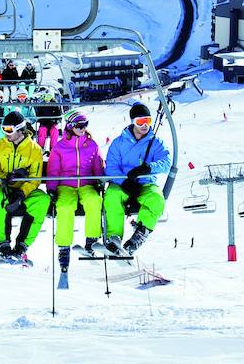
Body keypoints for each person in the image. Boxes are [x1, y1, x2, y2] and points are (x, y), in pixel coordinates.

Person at [102, 101, 172, 256]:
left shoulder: (155, 143)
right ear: (133, 122)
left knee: (157, 199)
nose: (144, 125)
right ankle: (114, 237)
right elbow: (111, 168)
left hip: (145, 183)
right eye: (140, 122)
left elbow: (166, 163)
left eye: (147, 121)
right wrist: (124, 182)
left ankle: (140, 233)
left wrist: (148, 168)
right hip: (122, 184)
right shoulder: (119, 143)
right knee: (112, 196)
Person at [45, 110, 104, 272]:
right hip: (66, 184)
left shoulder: (92, 145)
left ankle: (91, 240)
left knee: (94, 201)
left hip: (86, 184)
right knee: (65, 206)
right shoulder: (60, 147)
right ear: (70, 126)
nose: (83, 128)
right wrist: (51, 188)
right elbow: (53, 170)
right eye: (79, 125)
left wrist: (99, 181)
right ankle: (64, 246)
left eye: (85, 125)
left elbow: (97, 166)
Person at [0, 110, 50, 259]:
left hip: (24, 192)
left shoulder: (34, 150)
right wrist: (7, 178)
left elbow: (35, 178)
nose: (6, 133)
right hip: (4, 189)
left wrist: (21, 194)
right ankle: (3, 242)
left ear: (20, 129)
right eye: (4, 129)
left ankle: (23, 243)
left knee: (42, 200)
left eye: (9, 130)